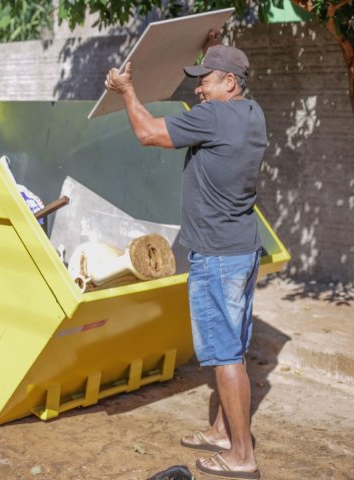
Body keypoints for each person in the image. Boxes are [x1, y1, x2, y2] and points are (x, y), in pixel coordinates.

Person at [104, 44, 265, 480]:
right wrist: (210, 42)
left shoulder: (214, 116)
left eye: (205, 79)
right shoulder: (251, 113)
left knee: (224, 353)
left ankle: (241, 455)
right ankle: (221, 430)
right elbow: (222, 81)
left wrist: (126, 91)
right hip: (243, 248)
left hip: (217, 254)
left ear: (229, 83)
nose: (198, 89)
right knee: (231, 348)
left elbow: (149, 133)